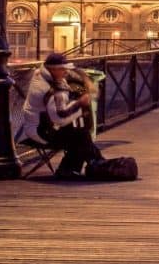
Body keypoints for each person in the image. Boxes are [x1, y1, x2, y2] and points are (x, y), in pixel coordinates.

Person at [20, 52, 104, 180]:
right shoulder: (50, 90)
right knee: (80, 135)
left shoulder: (43, 75)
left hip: (42, 124)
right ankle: (93, 163)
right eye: (63, 69)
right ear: (53, 69)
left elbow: (71, 75)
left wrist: (84, 79)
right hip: (41, 132)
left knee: (80, 132)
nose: (66, 72)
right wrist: (80, 104)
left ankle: (78, 167)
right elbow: (61, 118)